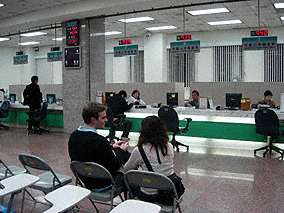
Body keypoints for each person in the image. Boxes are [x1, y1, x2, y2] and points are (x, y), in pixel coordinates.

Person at [68, 102, 130, 191]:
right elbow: (115, 165)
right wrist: (122, 150)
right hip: (104, 183)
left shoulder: (73, 136)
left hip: (86, 181)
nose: (106, 120)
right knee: (129, 177)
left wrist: (111, 147)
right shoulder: (100, 141)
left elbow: (90, 152)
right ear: (93, 120)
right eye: (103, 118)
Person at [124, 115, 174, 203]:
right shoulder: (169, 146)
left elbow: (126, 170)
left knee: (126, 181)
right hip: (169, 192)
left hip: (149, 194)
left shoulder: (139, 150)